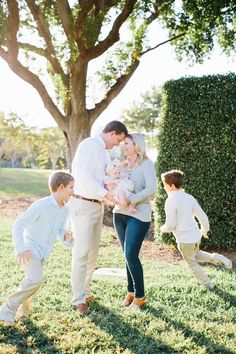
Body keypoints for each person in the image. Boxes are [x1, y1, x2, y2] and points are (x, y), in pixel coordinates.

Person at [0, 171, 75, 326]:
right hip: (29, 249)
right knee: (35, 279)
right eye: (71, 187)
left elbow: (60, 231)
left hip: (42, 254)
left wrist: (66, 238)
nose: (73, 191)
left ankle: (23, 314)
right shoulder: (42, 205)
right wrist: (20, 248)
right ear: (61, 187)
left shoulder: (65, 210)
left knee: (31, 281)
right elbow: (19, 224)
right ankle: (6, 310)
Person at [70, 120, 128, 315]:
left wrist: (112, 184)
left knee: (93, 252)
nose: (118, 144)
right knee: (81, 252)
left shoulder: (103, 151)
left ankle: (85, 291)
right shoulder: (89, 145)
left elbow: (99, 177)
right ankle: (78, 299)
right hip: (83, 204)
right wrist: (107, 195)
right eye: (118, 140)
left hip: (97, 205)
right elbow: (84, 177)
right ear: (111, 132)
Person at [160, 169, 232, 289]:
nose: (164, 187)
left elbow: (171, 224)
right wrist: (204, 229)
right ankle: (217, 258)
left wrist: (163, 229)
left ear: (171, 186)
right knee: (195, 254)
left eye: (165, 185)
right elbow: (203, 216)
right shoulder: (189, 197)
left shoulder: (170, 201)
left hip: (184, 239)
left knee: (192, 263)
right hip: (195, 236)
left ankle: (207, 284)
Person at [113, 133, 157, 310]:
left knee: (131, 254)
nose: (124, 146)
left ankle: (140, 296)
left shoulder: (146, 164)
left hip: (139, 215)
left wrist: (133, 200)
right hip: (119, 214)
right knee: (126, 256)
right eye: (123, 143)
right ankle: (130, 292)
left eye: (127, 143)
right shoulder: (122, 165)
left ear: (137, 146)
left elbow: (152, 189)